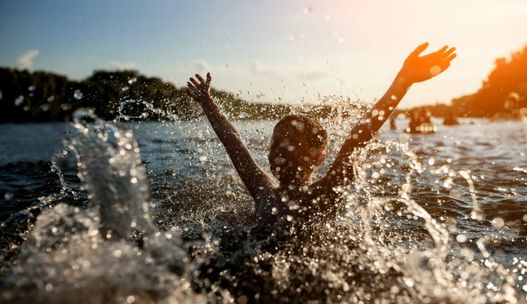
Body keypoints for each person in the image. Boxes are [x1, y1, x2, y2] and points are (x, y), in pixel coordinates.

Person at [186, 42, 456, 240]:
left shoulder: (323, 194)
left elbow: (358, 137)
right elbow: (234, 143)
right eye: (275, 144)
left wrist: (404, 80)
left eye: (291, 144)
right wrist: (208, 103)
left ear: (318, 156)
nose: (279, 153)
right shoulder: (263, 190)